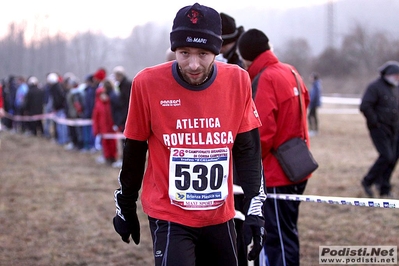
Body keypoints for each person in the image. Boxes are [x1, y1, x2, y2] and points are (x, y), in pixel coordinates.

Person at [113, 3, 266, 266]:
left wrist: (254, 206)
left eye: (203, 53)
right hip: (169, 214)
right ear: (174, 49)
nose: (193, 64)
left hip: (219, 215)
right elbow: (135, 150)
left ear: (216, 51)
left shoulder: (238, 80)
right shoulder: (146, 83)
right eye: (184, 53)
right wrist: (126, 203)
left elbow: (247, 149)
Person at [238, 28, 312, 266]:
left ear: (246, 56)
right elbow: (306, 102)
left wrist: (245, 156)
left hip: (276, 173)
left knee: (277, 238)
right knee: (288, 232)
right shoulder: (290, 70)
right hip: (299, 164)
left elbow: (262, 131)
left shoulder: (266, 78)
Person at [360, 61, 399, 198]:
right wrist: (375, 122)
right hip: (380, 129)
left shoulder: (395, 89)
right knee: (386, 156)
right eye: (396, 75)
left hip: (394, 128)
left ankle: (384, 187)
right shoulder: (374, 87)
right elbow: (365, 106)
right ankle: (368, 181)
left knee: (393, 158)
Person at [92, 80, 118, 165]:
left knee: (112, 143)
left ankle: (113, 157)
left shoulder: (110, 103)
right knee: (105, 144)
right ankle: (107, 158)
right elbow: (96, 119)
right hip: (103, 129)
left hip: (111, 128)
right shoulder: (98, 105)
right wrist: (96, 130)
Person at [308, 72, 322, 136]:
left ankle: (313, 130)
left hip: (313, 104)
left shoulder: (316, 85)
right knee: (314, 116)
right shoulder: (316, 85)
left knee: (310, 116)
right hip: (314, 103)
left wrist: (311, 102)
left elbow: (314, 95)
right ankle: (315, 130)